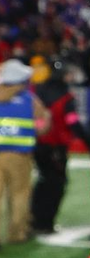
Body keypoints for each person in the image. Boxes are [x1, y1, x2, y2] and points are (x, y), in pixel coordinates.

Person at [30, 56, 90, 235]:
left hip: (38, 145)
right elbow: (73, 123)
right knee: (56, 184)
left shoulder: (38, 91)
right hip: (56, 147)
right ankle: (45, 223)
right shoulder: (65, 97)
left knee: (43, 182)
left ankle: (35, 220)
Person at [0, 58, 46, 244]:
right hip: (19, 156)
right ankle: (17, 234)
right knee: (19, 194)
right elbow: (42, 125)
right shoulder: (30, 100)